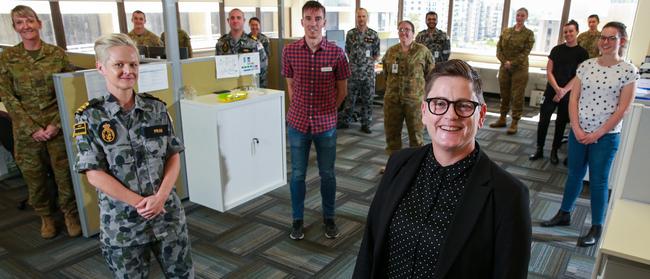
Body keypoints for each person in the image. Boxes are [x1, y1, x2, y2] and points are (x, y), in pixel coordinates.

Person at [353, 60, 531, 278]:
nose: (451, 115)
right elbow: (370, 248)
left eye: (464, 105)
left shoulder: (508, 196)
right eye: (439, 103)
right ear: (424, 111)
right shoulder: (399, 163)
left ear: (481, 115)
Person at [73, 33, 194, 277]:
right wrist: (140, 203)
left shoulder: (156, 108)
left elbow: (173, 155)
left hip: (166, 217)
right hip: (124, 225)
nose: (128, 70)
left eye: (133, 64)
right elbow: (94, 174)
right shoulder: (90, 117)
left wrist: (160, 198)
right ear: (101, 68)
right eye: (119, 64)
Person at [541, 22, 638, 247]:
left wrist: (597, 134)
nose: (604, 42)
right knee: (574, 173)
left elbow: (623, 108)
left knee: (598, 181)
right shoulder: (586, 66)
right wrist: (575, 127)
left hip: (605, 136)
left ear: (621, 41)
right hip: (579, 131)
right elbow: (573, 98)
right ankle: (564, 213)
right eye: (602, 37)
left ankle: (596, 226)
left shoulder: (628, 71)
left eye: (611, 38)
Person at [0, 5, 81, 239]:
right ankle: (46, 216)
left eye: (29, 21)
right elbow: (6, 96)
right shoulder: (8, 58)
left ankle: (70, 213)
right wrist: (33, 128)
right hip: (27, 132)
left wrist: (55, 124)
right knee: (34, 177)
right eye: (19, 23)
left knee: (64, 175)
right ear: (15, 28)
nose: (25, 26)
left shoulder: (57, 54)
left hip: (56, 127)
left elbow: (69, 92)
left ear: (39, 23)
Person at [281, 0, 350, 240]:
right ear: (302, 22)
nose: (313, 23)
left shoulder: (336, 53)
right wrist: (300, 107)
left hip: (326, 126)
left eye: (317, 19)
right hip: (298, 124)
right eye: (308, 19)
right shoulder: (289, 51)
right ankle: (297, 219)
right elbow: (290, 85)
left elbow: (342, 90)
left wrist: (330, 111)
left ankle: (329, 217)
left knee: (327, 174)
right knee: (298, 174)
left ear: (324, 22)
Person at [529, 20, 589, 164]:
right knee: (543, 120)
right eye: (565, 32)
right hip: (551, 91)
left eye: (571, 31)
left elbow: (578, 76)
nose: (568, 34)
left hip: (568, 94)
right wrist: (557, 89)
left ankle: (554, 151)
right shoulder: (556, 50)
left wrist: (563, 92)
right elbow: (549, 71)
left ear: (577, 32)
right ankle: (539, 148)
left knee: (561, 122)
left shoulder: (582, 53)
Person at [382, 20, 434, 157]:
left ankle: (415, 168)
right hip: (392, 101)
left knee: (416, 138)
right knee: (392, 136)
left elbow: (431, 76)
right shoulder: (391, 52)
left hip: (415, 102)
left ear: (413, 33)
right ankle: (393, 165)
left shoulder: (423, 51)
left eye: (407, 29)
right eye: (400, 29)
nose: (403, 32)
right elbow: (386, 74)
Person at [490, 7, 535, 134]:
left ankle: (515, 121)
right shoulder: (506, 31)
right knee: (504, 94)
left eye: (522, 16)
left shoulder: (529, 34)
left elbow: (526, 51)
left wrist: (512, 63)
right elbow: (499, 48)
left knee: (517, 96)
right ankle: (502, 118)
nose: (519, 17)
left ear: (526, 17)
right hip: (505, 68)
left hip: (520, 69)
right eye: (518, 15)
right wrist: (505, 62)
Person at [337, 8, 380, 134]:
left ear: (367, 18)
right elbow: (348, 51)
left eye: (363, 16)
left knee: (368, 99)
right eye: (359, 16)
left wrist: (366, 63)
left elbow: (376, 54)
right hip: (353, 73)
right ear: (356, 18)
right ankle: (345, 121)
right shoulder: (351, 34)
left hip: (368, 74)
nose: (361, 19)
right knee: (350, 99)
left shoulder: (373, 34)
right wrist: (357, 63)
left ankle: (366, 123)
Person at [216, 9, 268, 88]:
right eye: (232, 18)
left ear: (243, 20)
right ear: (228, 21)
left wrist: (261, 90)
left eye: (238, 18)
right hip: (228, 89)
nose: (235, 21)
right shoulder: (221, 43)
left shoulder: (254, 43)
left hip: (250, 88)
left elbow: (263, 68)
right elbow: (218, 68)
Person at [248, 17, 270, 87]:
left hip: (262, 69)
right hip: (249, 68)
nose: (254, 27)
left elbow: (267, 54)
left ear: (259, 26)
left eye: (256, 25)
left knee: (263, 88)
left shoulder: (264, 39)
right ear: (249, 26)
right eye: (252, 25)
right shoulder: (246, 39)